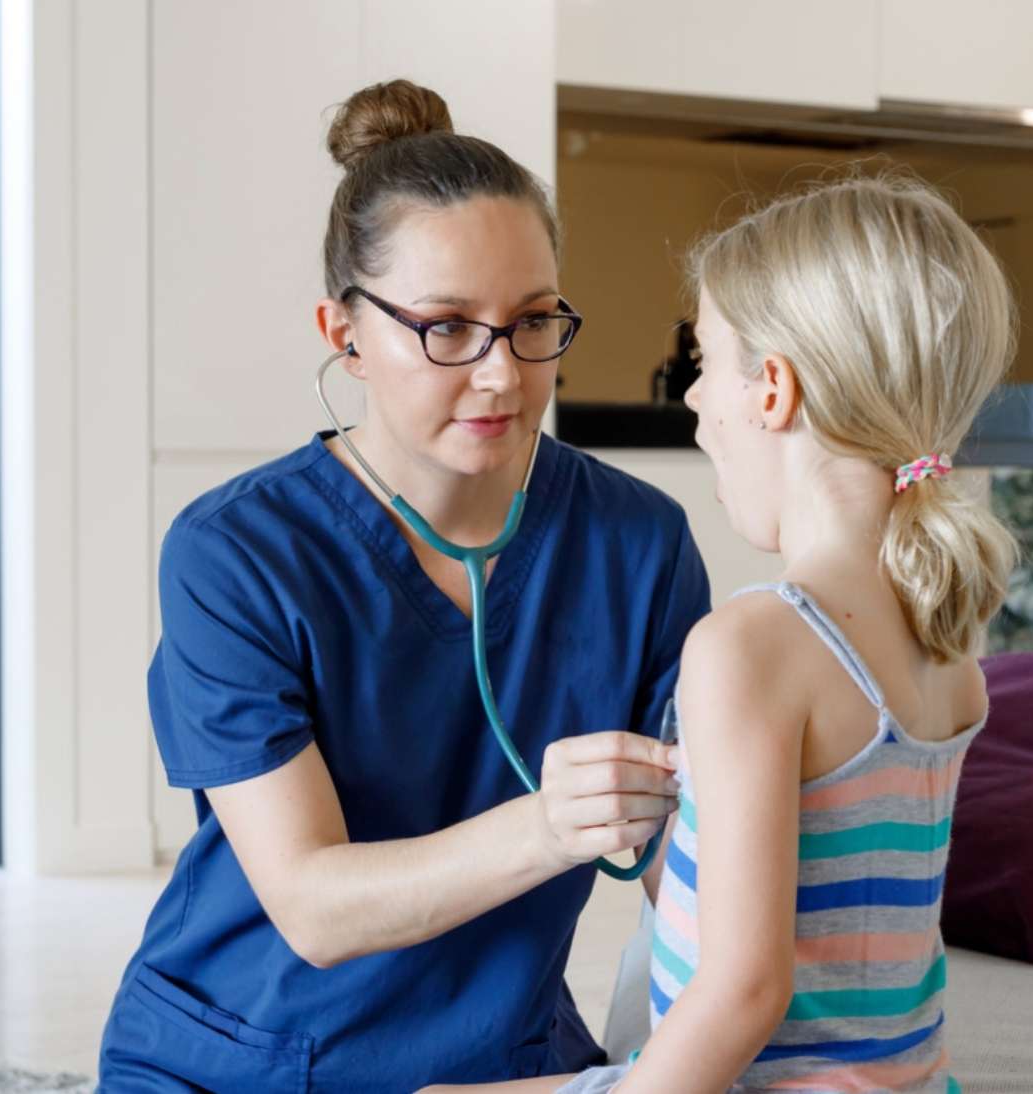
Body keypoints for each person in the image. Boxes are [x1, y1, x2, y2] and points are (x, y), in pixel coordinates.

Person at [95, 79, 712, 1092]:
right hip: (240, 1058)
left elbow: (687, 870)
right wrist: (552, 823)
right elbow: (313, 904)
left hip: (495, 1061)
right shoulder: (234, 553)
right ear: (343, 331)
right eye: (446, 327)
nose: (503, 375)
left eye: (532, 321)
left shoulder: (637, 542)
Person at [439, 174, 1017, 1093]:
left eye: (705, 362)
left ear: (773, 389)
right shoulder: (941, 636)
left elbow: (744, 991)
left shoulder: (752, 646)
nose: (696, 403)